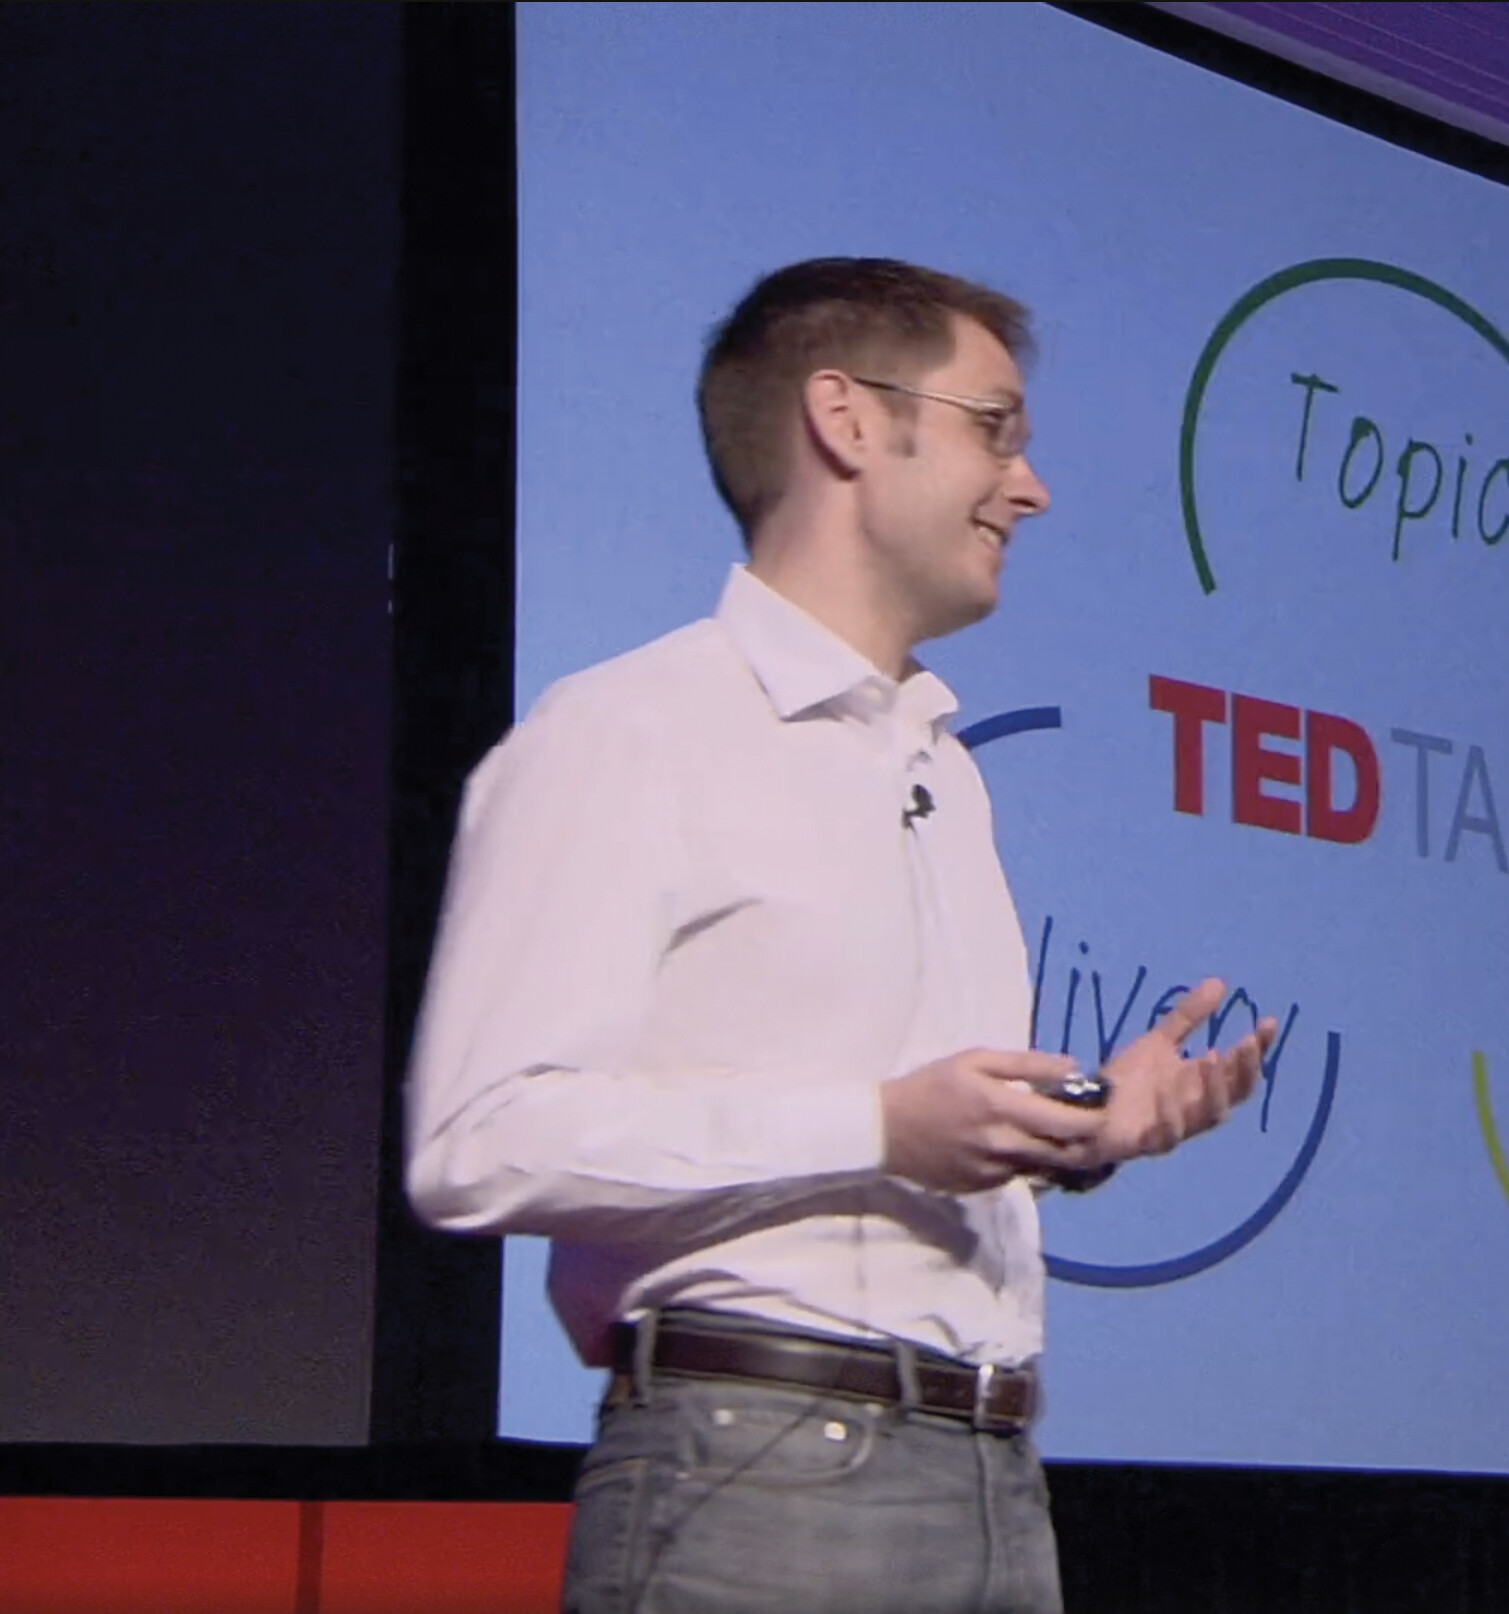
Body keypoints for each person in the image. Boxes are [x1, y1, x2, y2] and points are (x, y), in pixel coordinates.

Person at [406, 257, 1272, 1614]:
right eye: (995, 429)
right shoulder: (628, 732)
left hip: (990, 1472)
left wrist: (1081, 1133)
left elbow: (900, 1140)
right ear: (847, 419)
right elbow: (479, 1144)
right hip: (755, 1473)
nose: (1031, 488)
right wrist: (877, 1125)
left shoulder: (943, 764)